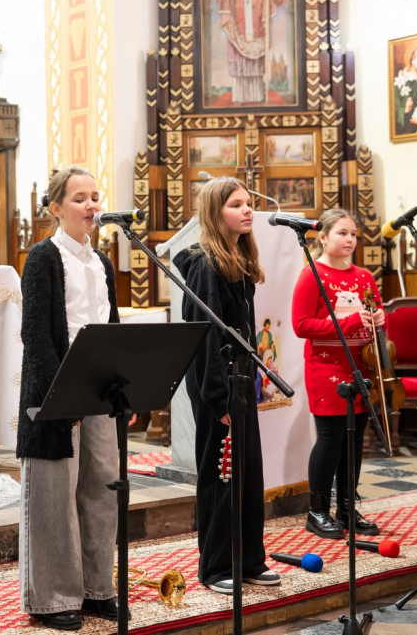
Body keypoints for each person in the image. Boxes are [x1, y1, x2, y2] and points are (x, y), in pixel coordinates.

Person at [17, 166, 121, 631]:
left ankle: (99, 589)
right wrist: (61, 397)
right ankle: (54, 596)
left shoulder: (103, 263)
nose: (92, 206)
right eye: (80, 198)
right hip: (56, 390)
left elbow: (111, 328)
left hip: (101, 388)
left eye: (95, 197)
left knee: (101, 488)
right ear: (56, 207)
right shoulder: (43, 257)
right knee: (55, 496)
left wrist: (124, 385)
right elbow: (36, 337)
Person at [173, 177, 280, 593]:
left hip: (241, 381)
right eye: (237, 205)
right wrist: (217, 399)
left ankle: (250, 559)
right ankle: (217, 567)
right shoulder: (205, 265)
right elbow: (203, 339)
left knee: (248, 474)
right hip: (217, 386)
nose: (249, 210)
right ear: (216, 213)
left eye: (249, 203)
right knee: (221, 476)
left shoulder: (237, 259)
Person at [291, 208, 383, 539]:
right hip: (326, 368)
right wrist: (351, 321)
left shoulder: (364, 277)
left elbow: (374, 312)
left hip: (360, 366)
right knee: (331, 439)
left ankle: (346, 508)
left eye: (353, 234)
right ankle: (317, 512)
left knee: (355, 440)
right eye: (342, 233)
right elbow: (301, 325)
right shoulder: (312, 274)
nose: (349, 239)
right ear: (324, 236)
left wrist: (379, 320)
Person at [207, 0, 287, 105]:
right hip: (237, 29)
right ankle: (240, 97)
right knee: (239, 64)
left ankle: (256, 97)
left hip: (258, 28)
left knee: (256, 67)